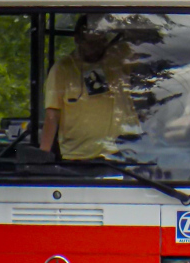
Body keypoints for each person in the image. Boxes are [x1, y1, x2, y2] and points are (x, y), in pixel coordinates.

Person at [40, 14, 139, 161]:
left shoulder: (118, 60)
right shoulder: (62, 69)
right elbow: (52, 116)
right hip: (79, 157)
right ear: (78, 39)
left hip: (121, 154)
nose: (95, 49)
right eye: (90, 42)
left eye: (101, 41)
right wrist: (42, 156)